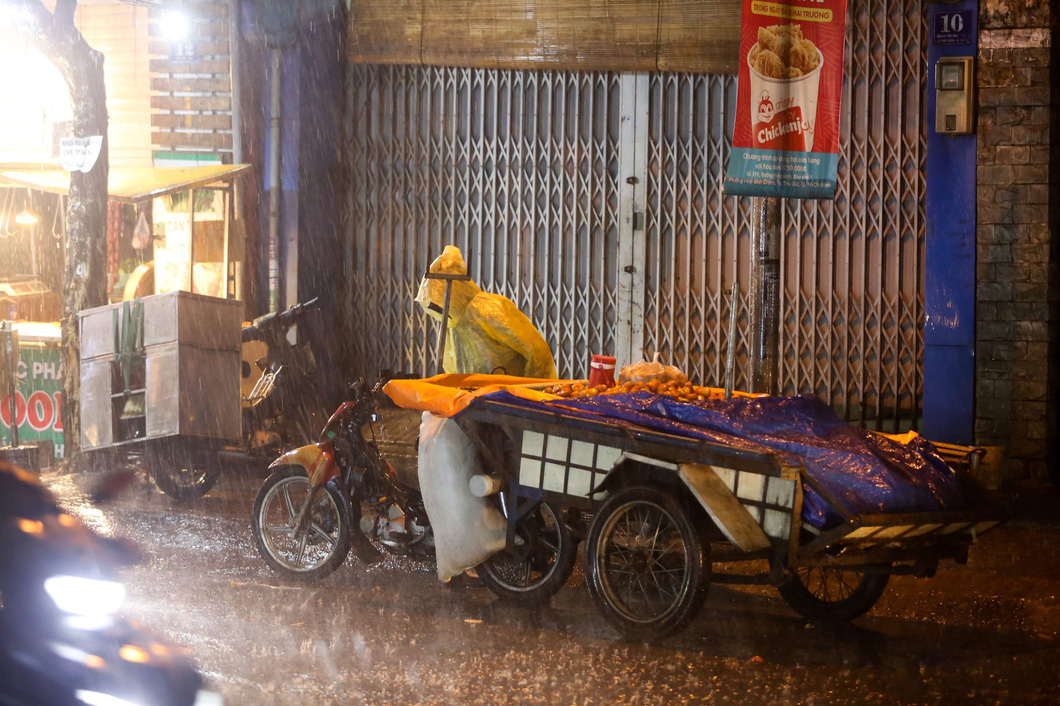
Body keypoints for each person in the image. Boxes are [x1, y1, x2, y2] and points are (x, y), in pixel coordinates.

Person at [415, 245, 557, 378]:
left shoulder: (489, 308)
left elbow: (537, 350)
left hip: (509, 394)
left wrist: (534, 389)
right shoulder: (451, 321)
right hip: (472, 396)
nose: (438, 310)